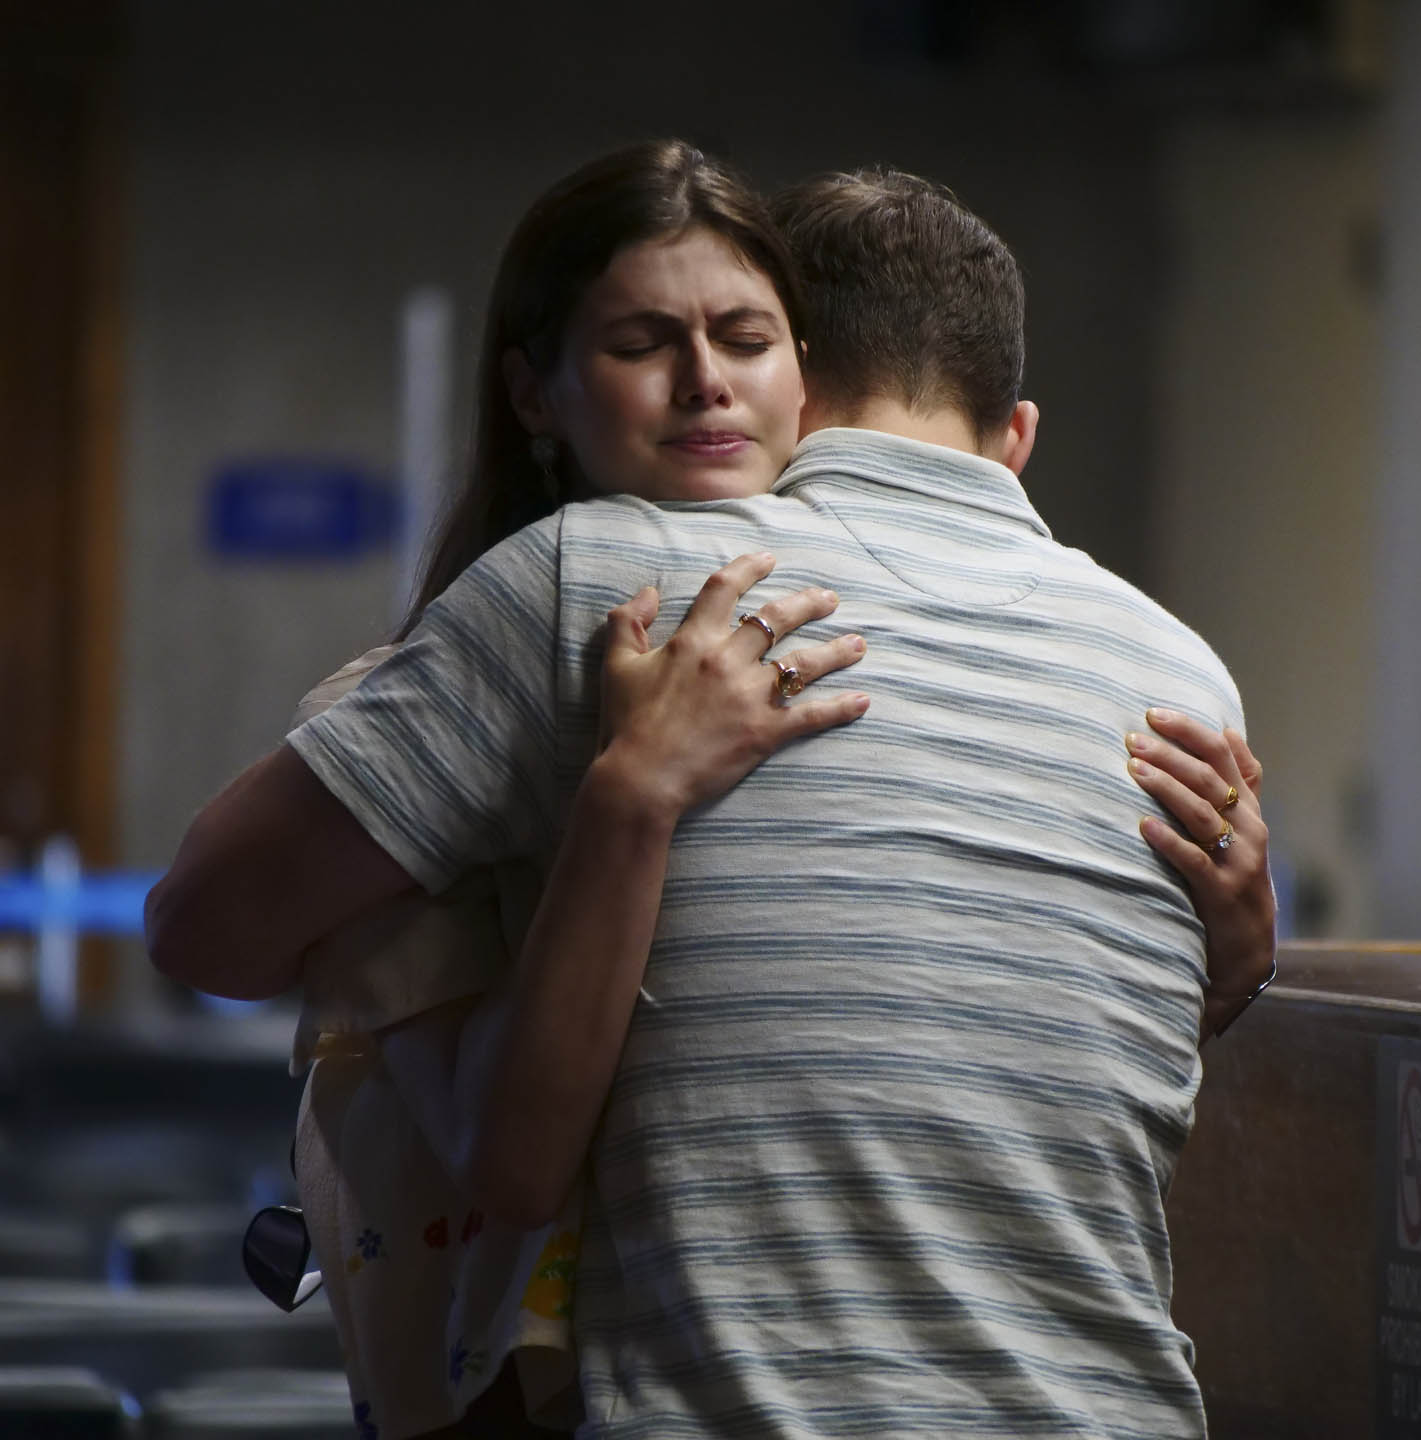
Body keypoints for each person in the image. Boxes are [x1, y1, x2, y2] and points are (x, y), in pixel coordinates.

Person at [150, 144, 1275, 1438]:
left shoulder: (595, 576)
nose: (706, 383)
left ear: (807, 380)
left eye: (742, 337)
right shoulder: (1183, 674)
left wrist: (620, 797)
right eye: (648, 343)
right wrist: (1235, 974)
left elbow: (208, 929)